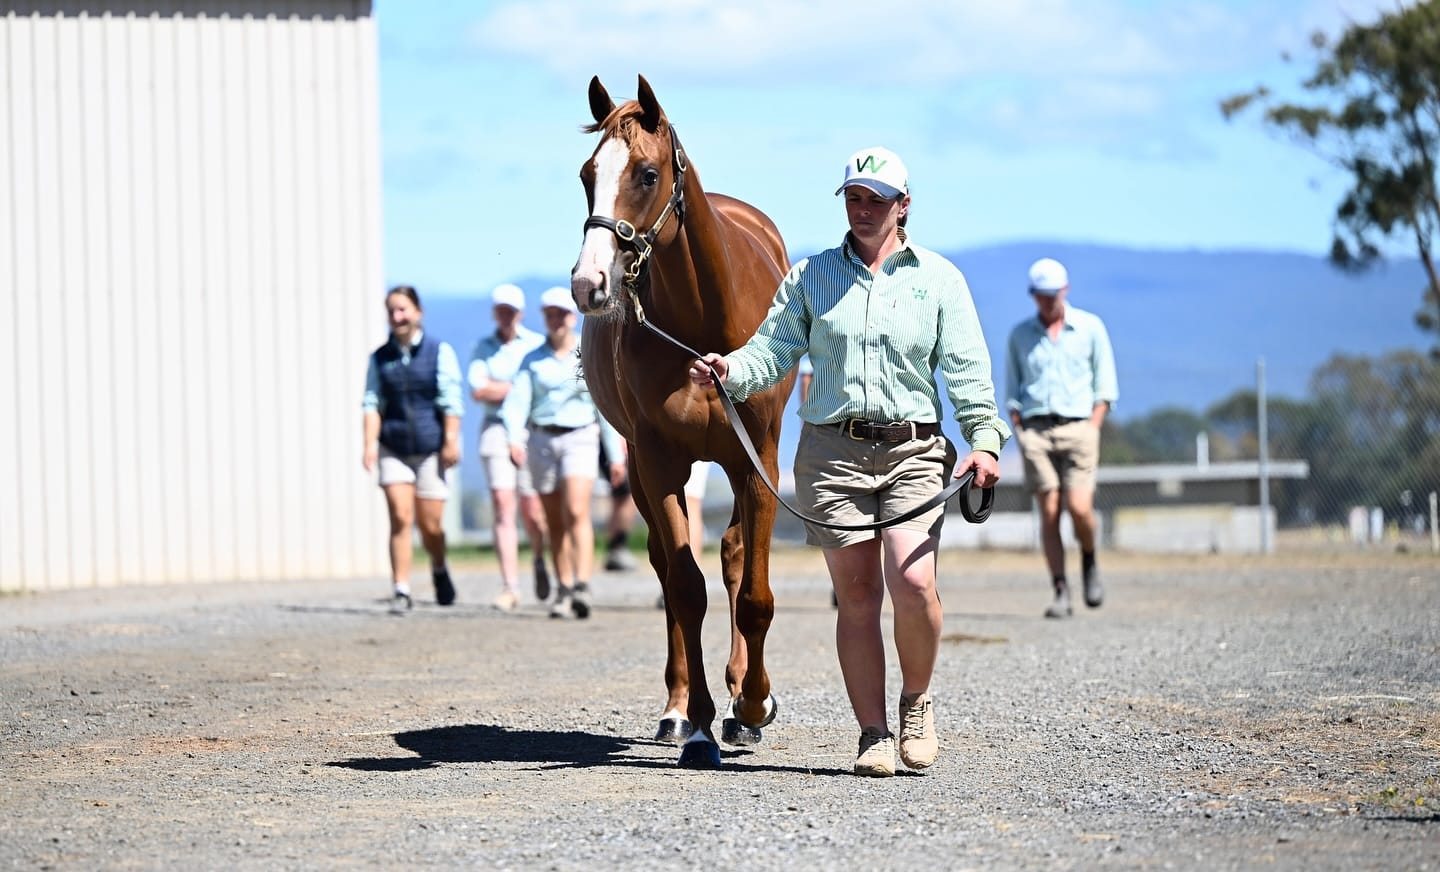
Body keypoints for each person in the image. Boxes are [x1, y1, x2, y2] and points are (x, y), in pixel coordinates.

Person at [688, 146, 1008, 777]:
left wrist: (985, 440)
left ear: (903, 206)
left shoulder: (939, 279)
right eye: (854, 199)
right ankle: (873, 734)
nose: (863, 210)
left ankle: (916, 701)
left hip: (914, 447)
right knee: (856, 595)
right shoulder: (811, 277)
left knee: (912, 583)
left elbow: (968, 371)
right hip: (832, 452)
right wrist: (731, 370)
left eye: (877, 200)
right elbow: (771, 351)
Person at [500, 286, 625, 620]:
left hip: (581, 437)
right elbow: (517, 403)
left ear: (573, 317)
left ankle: (582, 584)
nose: (556, 320)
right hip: (542, 439)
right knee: (553, 521)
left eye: (561, 314)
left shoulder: (586, 357)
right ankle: (564, 586)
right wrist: (514, 438)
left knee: (576, 510)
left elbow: (604, 405)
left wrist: (616, 454)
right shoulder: (532, 360)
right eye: (550, 315)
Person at [1005, 257, 1119, 620]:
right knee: (1049, 513)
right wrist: (1020, 429)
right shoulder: (1020, 335)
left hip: (1079, 427)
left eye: (1051, 295)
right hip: (1036, 430)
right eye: (1040, 296)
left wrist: (1093, 426)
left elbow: (1105, 384)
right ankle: (1060, 589)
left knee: (1080, 507)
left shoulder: (1090, 327)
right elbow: (1013, 388)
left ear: (1065, 291)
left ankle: (1089, 558)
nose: (1046, 302)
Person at [362, 285, 464, 612]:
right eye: (392, 311)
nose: (397, 317)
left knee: (431, 526)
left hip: (430, 447)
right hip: (393, 447)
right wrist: (369, 445)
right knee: (400, 516)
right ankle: (401, 589)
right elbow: (372, 402)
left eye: (402, 309)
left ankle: (438, 565)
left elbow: (451, 400)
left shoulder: (439, 351)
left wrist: (450, 440)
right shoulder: (380, 358)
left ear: (418, 312)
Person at [467, 283, 551, 612]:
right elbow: (478, 389)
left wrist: (506, 389)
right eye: (500, 310)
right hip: (496, 429)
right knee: (503, 506)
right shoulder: (482, 348)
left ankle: (541, 557)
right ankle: (509, 585)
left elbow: (539, 387)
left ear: (521, 313)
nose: (505, 316)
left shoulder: (535, 345)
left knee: (533, 509)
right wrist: (520, 389)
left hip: (531, 430)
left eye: (510, 311)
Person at [600, 440, 639, 571]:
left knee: (621, 497)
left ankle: (615, 548)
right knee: (627, 495)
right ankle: (617, 547)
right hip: (616, 444)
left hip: (614, 445)